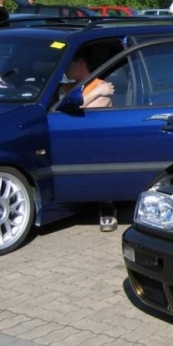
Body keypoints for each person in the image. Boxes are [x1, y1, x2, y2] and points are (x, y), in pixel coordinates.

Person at [61, 51, 119, 231]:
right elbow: (63, 108)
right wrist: (95, 93)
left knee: (101, 159)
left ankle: (107, 208)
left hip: (97, 140)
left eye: (68, 64)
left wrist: (96, 93)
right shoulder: (68, 88)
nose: (65, 69)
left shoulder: (103, 86)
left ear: (81, 62)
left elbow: (86, 114)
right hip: (71, 138)